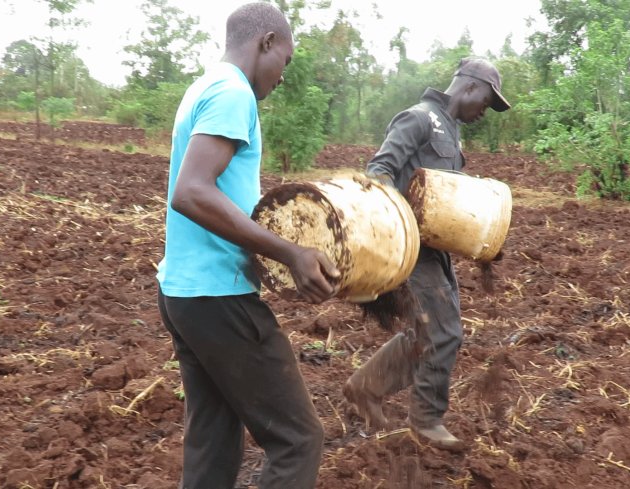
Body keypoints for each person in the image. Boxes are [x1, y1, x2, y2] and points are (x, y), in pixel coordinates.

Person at [155, 3, 340, 488]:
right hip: (219, 295)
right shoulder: (233, 92)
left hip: (185, 294)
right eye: (287, 60)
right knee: (298, 440)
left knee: (213, 446)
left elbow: (213, 188)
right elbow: (192, 191)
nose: (282, 76)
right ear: (267, 43)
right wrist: (289, 252)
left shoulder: (206, 85)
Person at [343, 57, 511, 452]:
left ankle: (365, 386)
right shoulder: (419, 118)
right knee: (445, 332)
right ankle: (426, 419)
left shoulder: (452, 131)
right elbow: (378, 171)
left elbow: (446, 200)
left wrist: (482, 240)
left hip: (437, 252)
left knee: (428, 333)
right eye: (486, 102)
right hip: (410, 249)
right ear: (470, 87)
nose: (484, 111)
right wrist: (394, 220)